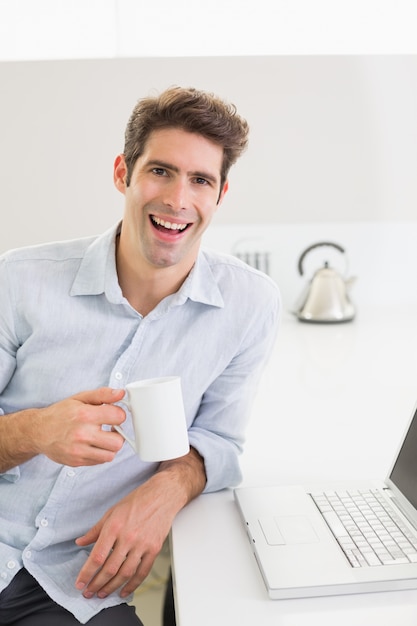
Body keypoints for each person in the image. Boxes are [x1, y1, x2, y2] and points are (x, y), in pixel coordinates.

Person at [0, 86, 280, 625]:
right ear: (122, 173)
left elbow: (219, 442)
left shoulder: (248, 305)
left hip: (77, 585)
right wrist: (34, 431)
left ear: (221, 195)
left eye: (200, 180)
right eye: (160, 171)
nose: (178, 199)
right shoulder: (18, 280)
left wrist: (169, 488)